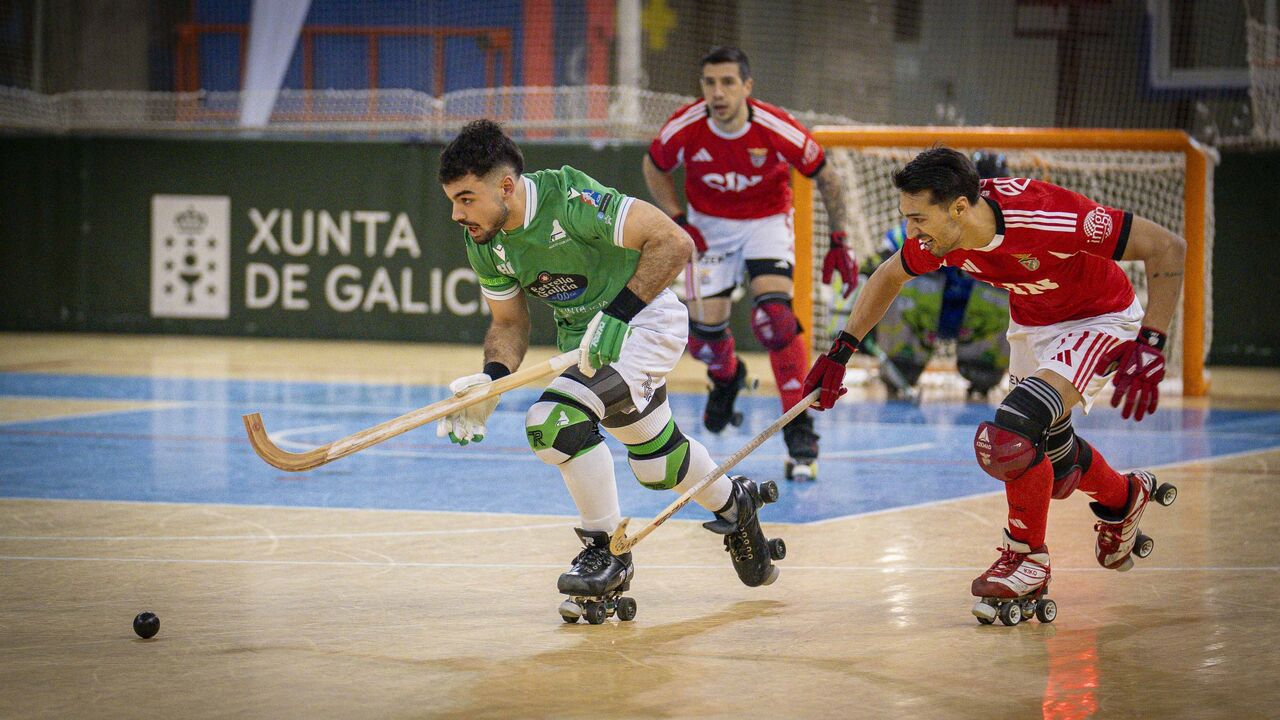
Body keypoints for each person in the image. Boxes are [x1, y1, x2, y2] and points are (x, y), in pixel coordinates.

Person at [802, 147, 1184, 624]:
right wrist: (840, 350)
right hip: (1033, 323)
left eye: (919, 219)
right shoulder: (941, 235)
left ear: (958, 207)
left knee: (1011, 434)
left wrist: (1151, 342)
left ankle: (1027, 559)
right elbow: (890, 275)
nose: (912, 231)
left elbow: (1168, 247)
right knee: (1057, 464)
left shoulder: (1051, 216)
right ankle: (1124, 498)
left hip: (1099, 318)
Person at [435, 120, 786, 625]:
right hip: (588, 349)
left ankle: (607, 552)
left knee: (553, 422)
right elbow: (509, 323)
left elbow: (674, 242)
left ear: (506, 186)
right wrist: (491, 379)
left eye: (467, 198)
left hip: (645, 323)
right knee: (658, 462)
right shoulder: (485, 241)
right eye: (452, 200)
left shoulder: (572, 198)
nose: (456, 214)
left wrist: (618, 313)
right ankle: (737, 504)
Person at [643, 46, 858, 481]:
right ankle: (727, 378)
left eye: (727, 83)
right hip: (709, 225)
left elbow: (827, 176)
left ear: (747, 87)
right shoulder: (686, 125)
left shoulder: (775, 126)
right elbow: (653, 165)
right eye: (709, 83)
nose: (717, 93)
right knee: (702, 340)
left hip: (765, 223)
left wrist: (839, 239)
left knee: (776, 319)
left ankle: (799, 426)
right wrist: (680, 220)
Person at [871, 152, 1012, 402]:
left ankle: (983, 373)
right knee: (899, 276)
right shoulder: (920, 228)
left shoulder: (1014, 238)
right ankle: (902, 364)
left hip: (974, 320)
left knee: (1012, 288)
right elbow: (875, 269)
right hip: (924, 317)